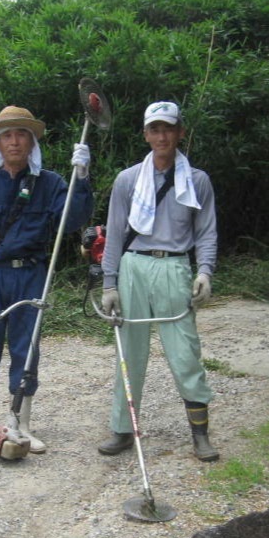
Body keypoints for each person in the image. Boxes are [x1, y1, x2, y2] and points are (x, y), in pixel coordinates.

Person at [0, 105, 93, 453]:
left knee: (26, 350)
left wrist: (83, 178)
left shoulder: (51, 183)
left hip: (31, 274)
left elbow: (73, 220)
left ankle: (21, 424)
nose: (14, 142)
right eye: (7, 136)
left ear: (31, 143)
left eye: (21, 135)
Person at [97, 100, 220, 462]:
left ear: (180, 131)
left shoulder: (197, 180)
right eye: (155, 129)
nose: (162, 135)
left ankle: (200, 434)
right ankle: (122, 428)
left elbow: (207, 231)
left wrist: (205, 271)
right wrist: (109, 283)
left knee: (185, 354)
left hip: (175, 267)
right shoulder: (128, 179)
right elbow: (116, 234)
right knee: (128, 353)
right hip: (133, 266)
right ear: (146, 134)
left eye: (168, 128)